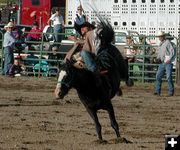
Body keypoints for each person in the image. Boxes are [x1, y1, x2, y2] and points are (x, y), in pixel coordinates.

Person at [154, 31, 175, 96]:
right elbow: (160, 53)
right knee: (158, 77)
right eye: (159, 37)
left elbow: (172, 52)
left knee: (168, 77)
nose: (159, 38)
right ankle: (157, 91)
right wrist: (157, 58)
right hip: (162, 62)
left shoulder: (167, 43)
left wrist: (170, 59)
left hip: (168, 62)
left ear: (163, 36)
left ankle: (170, 92)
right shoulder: (161, 44)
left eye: (160, 36)